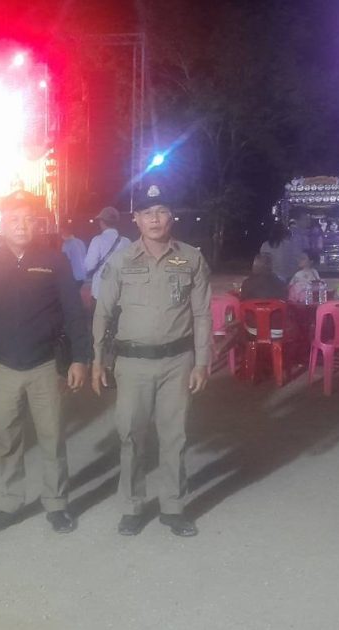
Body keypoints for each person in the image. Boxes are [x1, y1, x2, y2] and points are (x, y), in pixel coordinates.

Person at [0, 197, 92, 535]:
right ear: (2, 224)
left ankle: (56, 503)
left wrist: (80, 358)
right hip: (2, 366)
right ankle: (10, 502)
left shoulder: (54, 260)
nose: (21, 225)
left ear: (37, 225)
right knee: (7, 439)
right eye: (14, 219)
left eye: (28, 219)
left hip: (45, 365)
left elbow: (74, 312)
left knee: (52, 438)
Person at [92, 183, 211, 537]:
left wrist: (202, 362)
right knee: (131, 436)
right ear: (136, 219)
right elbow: (102, 312)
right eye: (147, 213)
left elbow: (202, 314)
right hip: (132, 364)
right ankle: (132, 506)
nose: (155, 219)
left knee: (174, 436)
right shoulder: (121, 260)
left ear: (171, 216)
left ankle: (173, 507)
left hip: (178, 362)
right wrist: (97, 359)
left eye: (161, 212)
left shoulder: (191, 258)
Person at [82, 206, 128, 305]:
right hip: (121, 293)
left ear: (102, 222)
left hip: (100, 292)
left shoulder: (97, 240)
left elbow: (89, 265)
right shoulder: (126, 241)